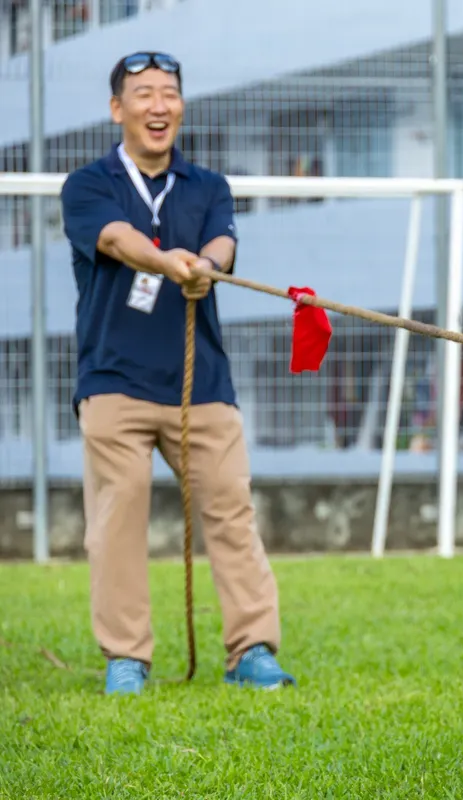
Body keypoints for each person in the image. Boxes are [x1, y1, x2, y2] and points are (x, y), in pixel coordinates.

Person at [58, 51, 295, 695]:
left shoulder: (208, 186)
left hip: (204, 385)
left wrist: (208, 266)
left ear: (181, 106)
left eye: (169, 93)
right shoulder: (89, 183)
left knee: (231, 512)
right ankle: (126, 658)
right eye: (143, 94)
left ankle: (252, 650)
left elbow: (223, 244)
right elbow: (113, 240)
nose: (158, 105)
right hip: (113, 382)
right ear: (118, 109)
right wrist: (169, 263)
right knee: (117, 519)